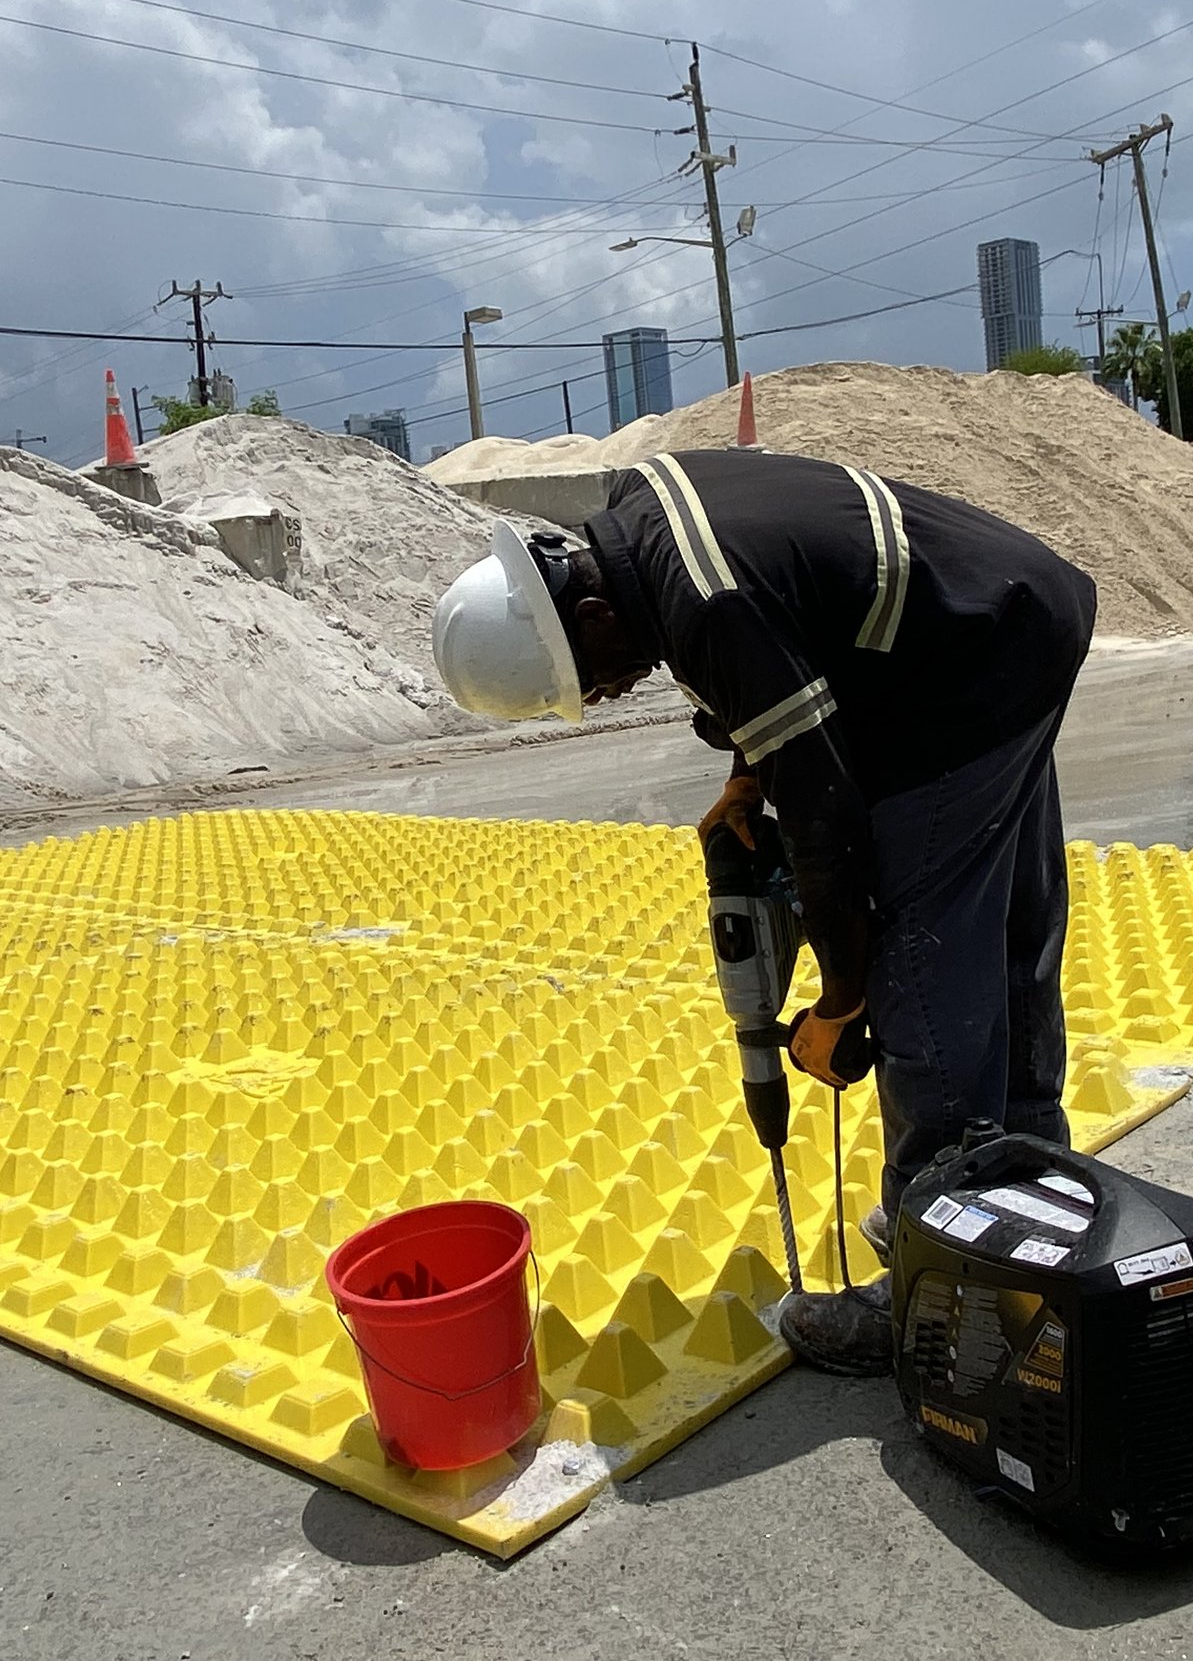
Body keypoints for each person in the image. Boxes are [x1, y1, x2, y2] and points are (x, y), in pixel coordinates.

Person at [430, 448, 1097, 1374]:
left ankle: (931, 1293)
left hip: (967, 673)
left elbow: (825, 819)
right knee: (1010, 910)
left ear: (589, 614)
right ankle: (1021, 1181)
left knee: (924, 952)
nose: (614, 692)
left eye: (598, 680)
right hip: (1005, 621)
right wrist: (750, 772)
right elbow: (796, 636)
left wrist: (843, 997)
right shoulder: (641, 506)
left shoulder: (705, 605)